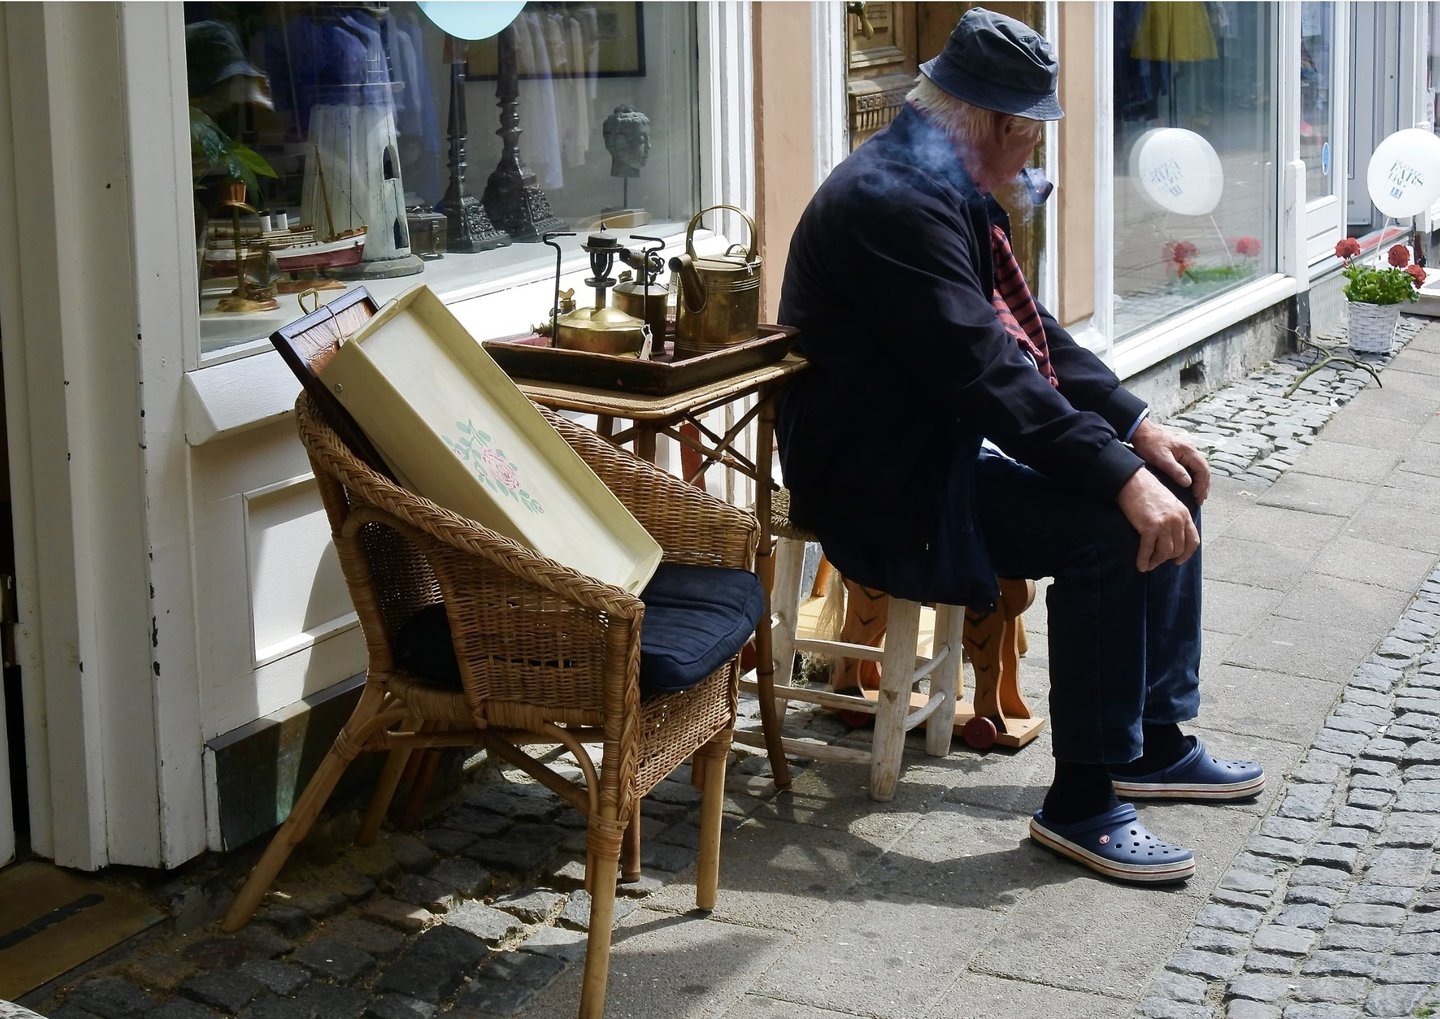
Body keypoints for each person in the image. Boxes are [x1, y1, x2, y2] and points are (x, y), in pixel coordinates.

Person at [776, 7, 1263, 885]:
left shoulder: (937, 182)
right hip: (880, 478)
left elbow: (1030, 332)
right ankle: (1082, 800)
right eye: (1033, 133)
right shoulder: (894, 204)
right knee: (1110, 530)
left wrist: (1136, 428)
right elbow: (987, 372)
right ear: (998, 125)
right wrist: (1117, 478)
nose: (1036, 153)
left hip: (933, 447)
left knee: (1165, 482)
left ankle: (1149, 741)